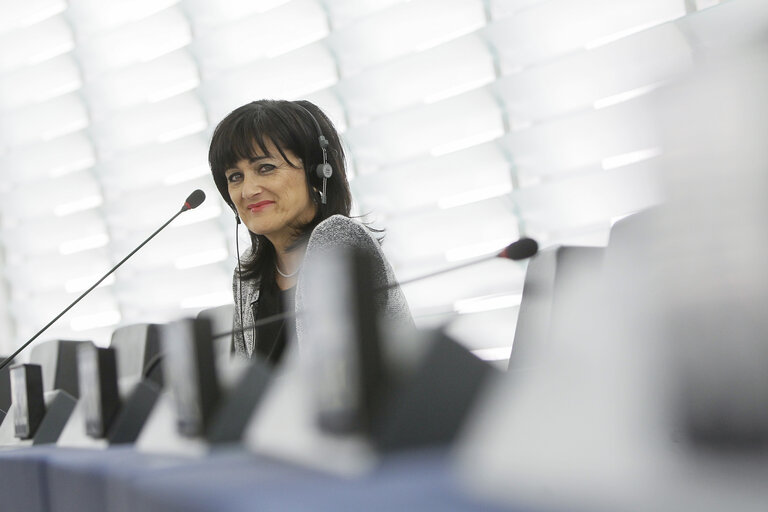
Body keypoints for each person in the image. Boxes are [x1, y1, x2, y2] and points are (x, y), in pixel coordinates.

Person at [208, 99, 413, 365]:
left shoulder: (338, 238)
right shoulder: (248, 276)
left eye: (266, 168)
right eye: (235, 176)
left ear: (317, 172)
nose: (248, 191)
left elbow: (337, 381)